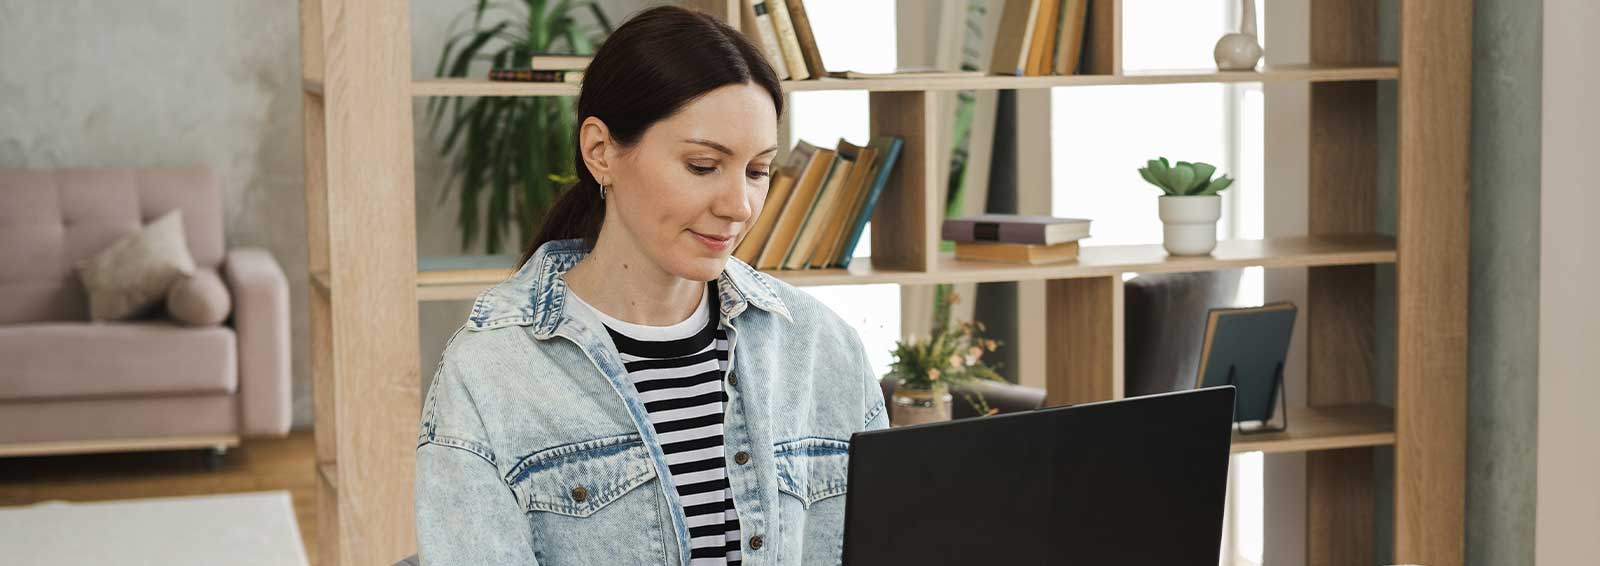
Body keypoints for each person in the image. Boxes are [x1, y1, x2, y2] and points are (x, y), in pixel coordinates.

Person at [414, 6, 888, 565]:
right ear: (601, 152)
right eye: (703, 165)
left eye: (757, 171)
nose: (739, 206)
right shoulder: (490, 374)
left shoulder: (821, 348)